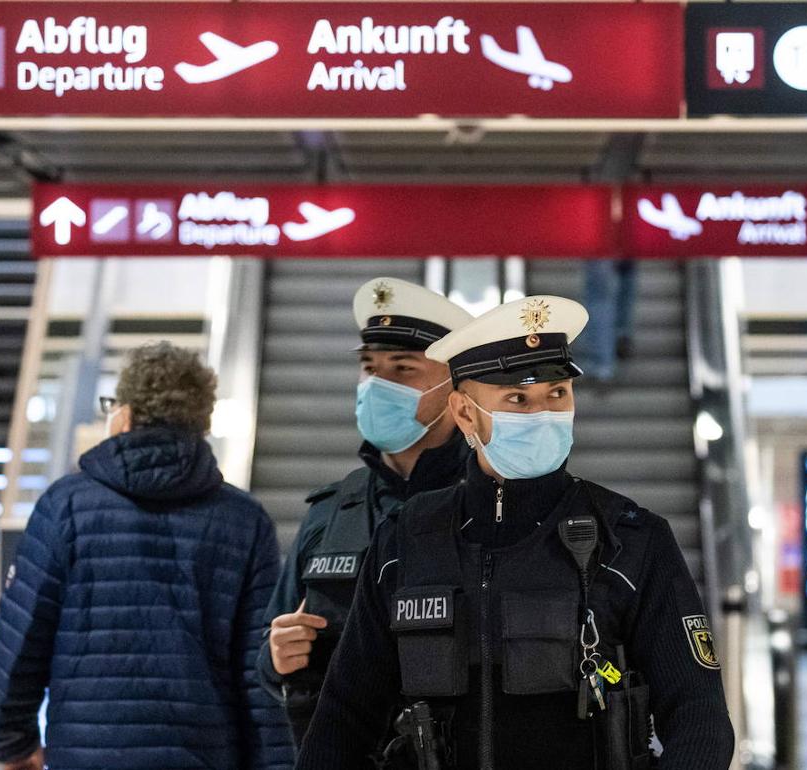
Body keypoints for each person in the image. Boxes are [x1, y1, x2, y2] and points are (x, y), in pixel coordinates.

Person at [295, 295, 735, 770]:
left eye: (557, 394)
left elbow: (699, 718)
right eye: (517, 399)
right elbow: (343, 715)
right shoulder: (406, 538)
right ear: (464, 414)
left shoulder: (630, 540)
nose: (543, 413)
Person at [0, 342, 292, 770]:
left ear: (123, 415)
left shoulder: (66, 506)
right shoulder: (244, 520)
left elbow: (20, 636)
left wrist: (10, 744)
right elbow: (261, 674)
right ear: (201, 425)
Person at [257, 278, 474, 748]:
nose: (378, 385)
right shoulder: (331, 513)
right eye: (369, 368)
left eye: (403, 369)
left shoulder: (492, 505)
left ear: (453, 384)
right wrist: (276, 660)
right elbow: (273, 655)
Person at [581, 258, 638, 382]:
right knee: (626, 276)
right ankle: (621, 332)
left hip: (599, 245)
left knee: (598, 294)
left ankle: (601, 364)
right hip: (628, 242)